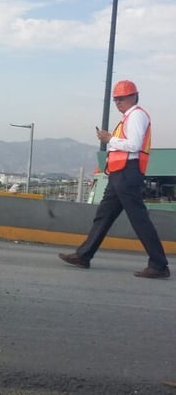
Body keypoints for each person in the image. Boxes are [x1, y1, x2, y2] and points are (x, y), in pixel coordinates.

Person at [59, 80, 169, 278]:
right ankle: (84, 255)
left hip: (127, 173)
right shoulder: (128, 117)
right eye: (116, 99)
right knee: (104, 216)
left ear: (134, 96)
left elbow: (134, 145)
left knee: (139, 218)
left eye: (122, 98)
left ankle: (159, 265)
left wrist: (109, 139)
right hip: (120, 173)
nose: (118, 102)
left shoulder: (136, 115)